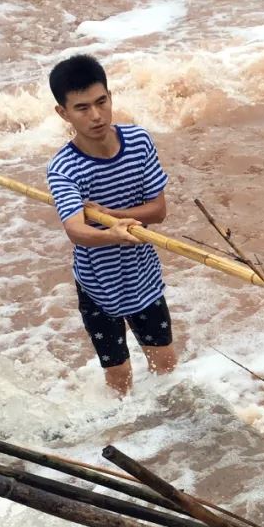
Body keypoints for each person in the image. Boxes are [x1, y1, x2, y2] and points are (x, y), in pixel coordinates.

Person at [46, 54, 177, 396]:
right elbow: (76, 230)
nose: (96, 116)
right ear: (63, 113)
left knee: (165, 365)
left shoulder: (138, 142)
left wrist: (112, 216)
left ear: (110, 96)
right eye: (82, 108)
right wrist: (112, 236)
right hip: (97, 287)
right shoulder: (64, 168)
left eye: (101, 102)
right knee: (119, 379)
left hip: (144, 276)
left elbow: (158, 210)